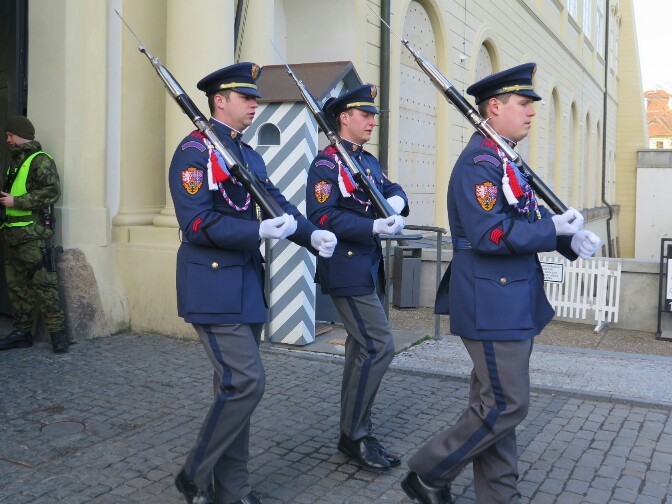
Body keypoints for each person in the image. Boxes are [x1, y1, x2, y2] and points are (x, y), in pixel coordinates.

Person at [401, 63, 601, 504]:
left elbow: (523, 221)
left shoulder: (504, 157)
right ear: (494, 107)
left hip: (509, 297)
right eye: (523, 104)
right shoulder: (480, 163)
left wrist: (568, 238)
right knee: (506, 406)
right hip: (492, 298)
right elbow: (489, 235)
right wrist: (553, 228)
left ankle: (499, 496)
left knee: (493, 405)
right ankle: (428, 471)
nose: (531, 112)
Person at [168, 62, 337, 504]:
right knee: (245, 383)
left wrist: (308, 233)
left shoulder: (246, 154)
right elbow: (198, 223)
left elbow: (276, 204)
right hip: (211, 284)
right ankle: (193, 473)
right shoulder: (194, 152)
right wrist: (255, 232)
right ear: (219, 101)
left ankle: (233, 490)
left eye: (254, 96)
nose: (254, 103)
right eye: (246, 97)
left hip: (245, 285)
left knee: (232, 389)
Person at [306, 84, 409, 473]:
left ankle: (352, 432)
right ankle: (355, 433)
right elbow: (322, 216)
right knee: (379, 344)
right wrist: (372, 226)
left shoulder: (366, 162)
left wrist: (396, 205)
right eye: (364, 114)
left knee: (360, 349)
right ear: (344, 118)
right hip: (347, 267)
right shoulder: (326, 164)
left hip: (368, 268)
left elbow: (391, 188)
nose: (371, 121)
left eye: (373, 115)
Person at [0, 116, 68, 354]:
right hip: (12, 233)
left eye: (10, 135)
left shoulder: (40, 160)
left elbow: (51, 192)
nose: (7, 139)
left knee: (45, 287)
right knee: (18, 288)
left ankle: (59, 336)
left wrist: (16, 201)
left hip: (33, 235)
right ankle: (22, 333)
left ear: (21, 135)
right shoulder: (15, 163)